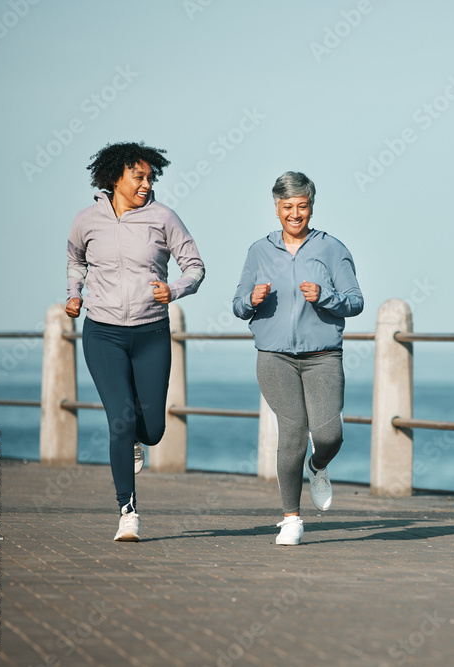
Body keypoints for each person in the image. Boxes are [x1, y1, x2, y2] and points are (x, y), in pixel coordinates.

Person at [66, 141, 205, 542]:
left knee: (154, 428)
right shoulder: (86, 220)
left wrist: (174, 289)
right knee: (120, 419)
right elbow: (75, 259)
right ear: (115, 178)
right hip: (103, 332)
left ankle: (139, 442)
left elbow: (195, 266)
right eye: (138, 177)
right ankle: (127, 511)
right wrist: (75, 293)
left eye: (149, 177)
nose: (146, 184)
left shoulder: (163, 217)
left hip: (151, 332)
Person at [232, 171, 363, 546]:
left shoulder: (332, 249)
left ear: (311, 207)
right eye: (287, 206)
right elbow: (238, 305)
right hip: (274, 356)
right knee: (291, 433)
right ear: (276, 209)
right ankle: (291, 518)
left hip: (323, 356)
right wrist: (251, 301)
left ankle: (318, 467)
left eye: (302, 206)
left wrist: (325, 296)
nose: (295, 213)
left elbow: (355, 301)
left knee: (328, 434)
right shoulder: (259, 251)